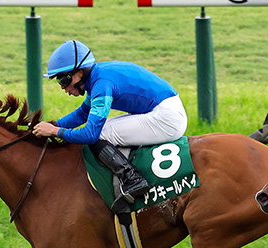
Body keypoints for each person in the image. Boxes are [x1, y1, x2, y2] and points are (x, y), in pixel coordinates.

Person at [32, 40, 188, 210]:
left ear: (79, 73)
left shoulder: (102, 84)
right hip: (162, 111)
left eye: (63, 80)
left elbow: (90, 134)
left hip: (167, 118)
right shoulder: (96, 78)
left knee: (100, 134)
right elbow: (82, 113)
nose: (62, 87)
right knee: (104, 129)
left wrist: (55, 131)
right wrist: (51, 126)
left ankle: (133, 179)